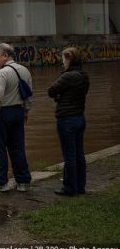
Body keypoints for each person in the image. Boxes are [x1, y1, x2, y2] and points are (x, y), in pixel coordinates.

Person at [0, 43, 33, 192]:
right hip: (18, 112)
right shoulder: (24, 70)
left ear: (6, 56)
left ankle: (0, 182)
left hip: (2, 114)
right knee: (18, 147)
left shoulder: (2, 73)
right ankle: (23, 182)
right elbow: (29, 94)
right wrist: (26, 112)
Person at [47, 47, 89, 196]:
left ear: (69, 60)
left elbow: (51, 91)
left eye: (64, 60)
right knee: (79, 153)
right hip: (79, 117)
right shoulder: (84, 75)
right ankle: (80, 186)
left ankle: (70, 187)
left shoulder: (68, 76)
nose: (63, 63)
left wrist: (59, 96)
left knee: (69, 154)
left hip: (67, 119)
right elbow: (78, 93)